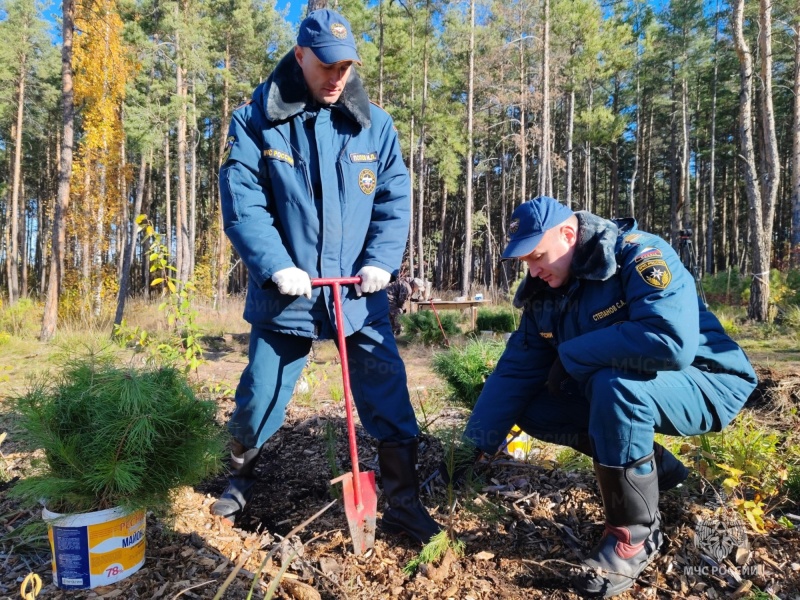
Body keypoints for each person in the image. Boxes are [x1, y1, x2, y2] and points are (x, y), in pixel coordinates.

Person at [449, 196, 757, 597]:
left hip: (707, 379)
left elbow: (670, 342)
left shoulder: (636, 255)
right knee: (536, 407)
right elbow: (516, 371)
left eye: (537, 255)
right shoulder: (545, 290)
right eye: (524, 261)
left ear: (569, 233)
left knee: (616, 386)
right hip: (633, 386)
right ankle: (657, 470)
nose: (533, 269)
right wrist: (469, 449)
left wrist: (572, 353)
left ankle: (634, 536)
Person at [214, 8, 440, 545]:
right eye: (326, 66)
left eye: (346, 67)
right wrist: (276, 266)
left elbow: (393, 199)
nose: (337, 77)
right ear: (301, 56)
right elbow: (243, 202)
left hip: (358, 296)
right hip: (287, 292)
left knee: (388, 393)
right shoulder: (254, 120)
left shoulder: (374, 125)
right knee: (260, 394)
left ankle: (403, 502)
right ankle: (241, 478)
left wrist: (382, 262)